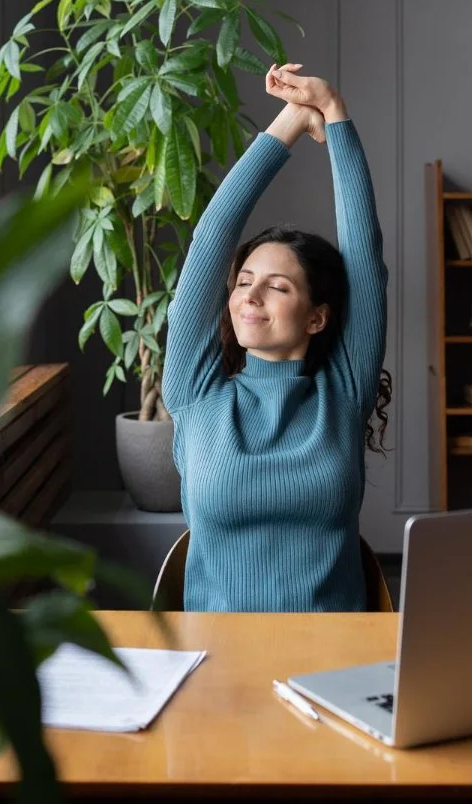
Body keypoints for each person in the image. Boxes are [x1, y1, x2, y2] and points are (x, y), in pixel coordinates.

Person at [162, 64, 390, 612]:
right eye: (243, 282)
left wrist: (334, 113)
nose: (249, 296)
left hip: (336, 658)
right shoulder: (195, 392)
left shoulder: (344, 388)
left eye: (277, 286)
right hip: (218, 657)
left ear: (316, 317)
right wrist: (288, 122)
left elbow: (364, 256)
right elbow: (213, 235)